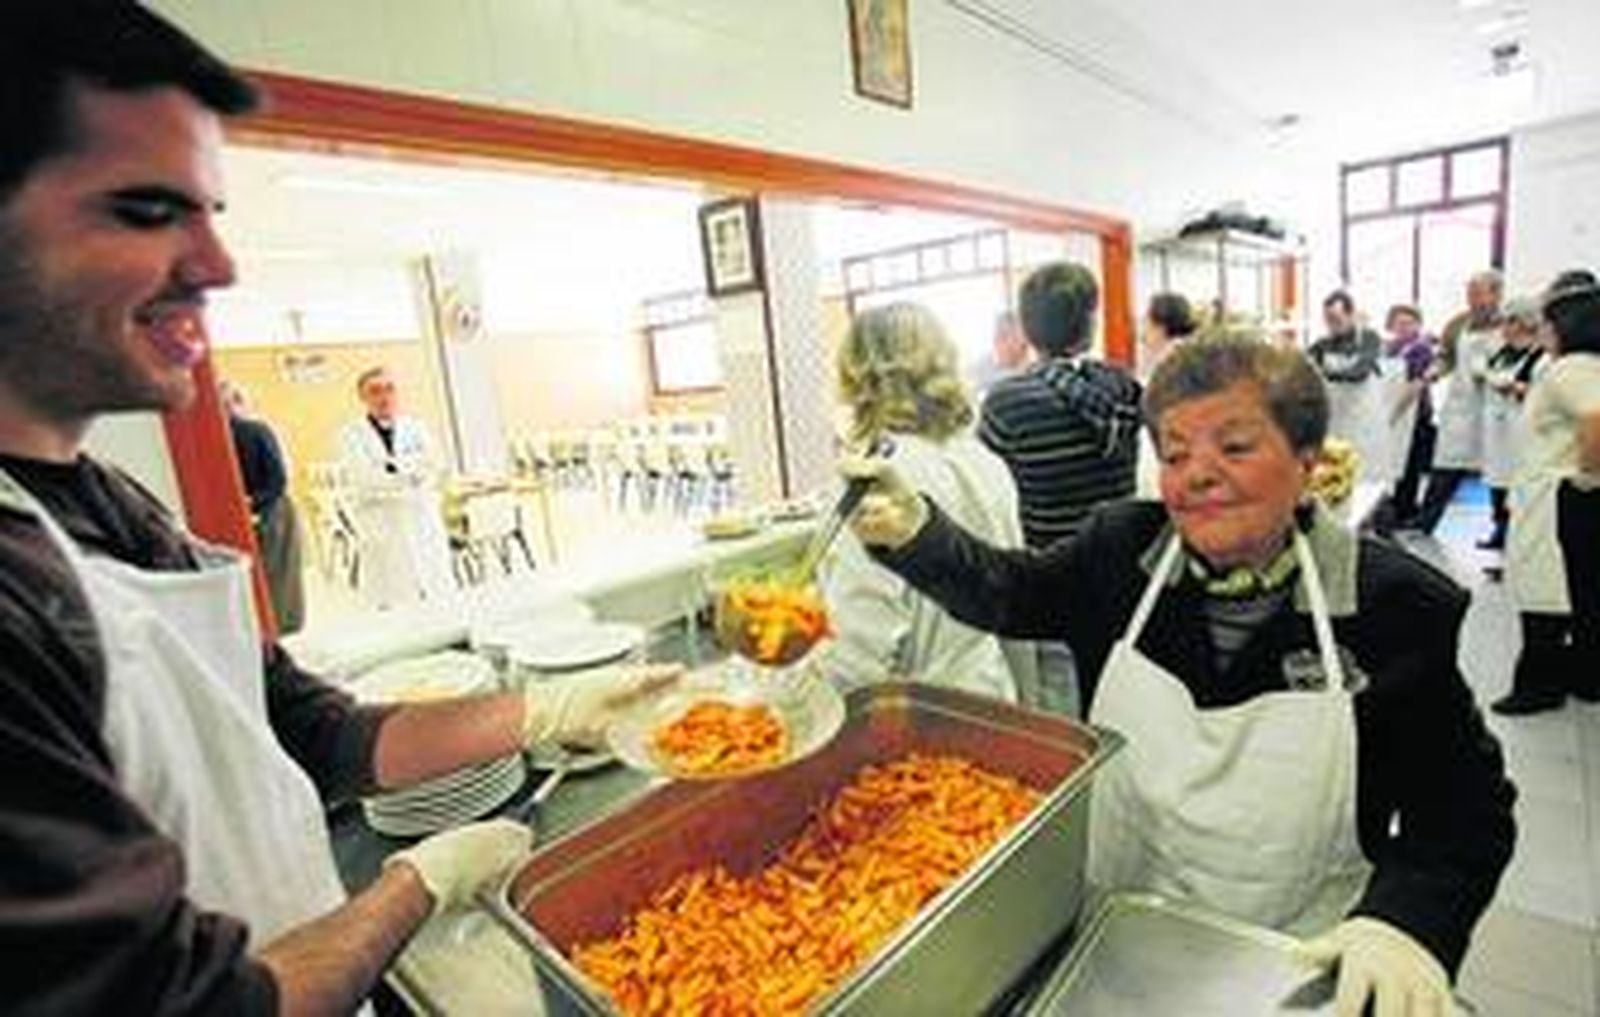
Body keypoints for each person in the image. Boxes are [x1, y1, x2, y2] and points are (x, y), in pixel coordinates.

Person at [0, 4, 679, 1012]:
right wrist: (417, 883)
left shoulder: (106, 503)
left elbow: (310, 728)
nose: (219, 266)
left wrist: (540, 710)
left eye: (210, 213)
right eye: (145, 210)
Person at [844, 333, 1514, 1017]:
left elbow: (1465, 811)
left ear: (1307, 460)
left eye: (1234, 446)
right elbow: (1009, 593)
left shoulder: (1390, 604)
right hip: (1120, 936)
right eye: (1174, 452)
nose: (1196, 472)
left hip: (1295, 961)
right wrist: (916, 535)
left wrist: (1405, 922)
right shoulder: (1119, 550)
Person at [822, 302, 1033, 703]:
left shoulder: (874, 478)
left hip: (917, 721)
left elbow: (857, 650)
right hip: (990, 691)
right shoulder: (986, 462)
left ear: (855, 376)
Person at [979, 262, 1142, 715]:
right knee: (1124, 691)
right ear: (1090, 323)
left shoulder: (1007, 402)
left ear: (1028, 327)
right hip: (1123, 569)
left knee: (1062, 706)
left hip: (1052, 574)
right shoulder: (1124, 387)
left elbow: (990, 488)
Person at [1497, 275, 1600, 714]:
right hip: (1558, 492)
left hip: (1557, 496)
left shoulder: (1570, 368)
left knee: (1545, 593)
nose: (1542, 332)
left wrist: (1587, 476)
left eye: (1547, 324)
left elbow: (1597, 420)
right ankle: (1584, 677)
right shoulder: (1583, 366)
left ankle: (1539, 687)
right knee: (1578, 591)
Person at [339, 366, 457, 609]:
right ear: (362, 397)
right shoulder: (350, 435)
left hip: (421, 518)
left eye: (390, 389)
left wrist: (395, 472)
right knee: (392, 596)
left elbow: (435, 465)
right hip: (382, 524)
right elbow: (365, 479)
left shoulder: (417, 428)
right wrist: (410, 474)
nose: (384, 396)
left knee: (436, 588)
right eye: (375, 391)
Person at [1417, 270, 1504, 533]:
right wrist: (1435, 371)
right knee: (1446, 462)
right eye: (1470, 294)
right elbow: (1446, 357)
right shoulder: (1458, 324)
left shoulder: (1508, 324)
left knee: (1499, 468)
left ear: (1497, 294)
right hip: (1461, 406)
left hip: (1496, 407)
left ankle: (1501, 527)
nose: (1473, 300)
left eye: (1478, 294)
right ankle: (1426, 521)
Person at [220, 379, 308, 634]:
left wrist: (245, 504)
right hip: (264, 511)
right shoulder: (254, 430)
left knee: (264, 576)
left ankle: (266, 629)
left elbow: (273, 480)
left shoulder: (235, 433)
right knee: (276, 575)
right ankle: (278, 628)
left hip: (253, 513)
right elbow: (278, 478)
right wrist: (251, 504)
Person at [1478, 298, 1548, 553]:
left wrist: (1510, 385)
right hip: (1497, 425)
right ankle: (1498, 527)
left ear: (1526, 323)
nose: (1504, 327)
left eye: (1510, 321)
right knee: (1496, 478)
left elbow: (1538, 391)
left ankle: (1512, 531)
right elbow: (1488, 373)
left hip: (1520, 425)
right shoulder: (1503, 352)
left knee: (1514, 480)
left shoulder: (1539, 355)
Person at [1308, 291, 1390, 487]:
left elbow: (1359, 372)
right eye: (1327, 320)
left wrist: (1325, 374)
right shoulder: (1322, 345)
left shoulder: (1369, 339)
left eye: (1336, 319)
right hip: (1337, 421)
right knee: (1336, 475)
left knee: (1368, 479)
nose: (1331, 325)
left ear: (1351, 314)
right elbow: (1302, 368)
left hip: (1365, 422)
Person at [1378, 304, 1438, 529]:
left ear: (1418, 324)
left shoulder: (1420, 349)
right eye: (1398, 323)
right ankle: (1393, 506)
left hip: (1413, 414)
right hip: (1390, 413)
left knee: (1410, 463)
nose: (1403, 328)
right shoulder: (1389, 349)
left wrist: (1394, 412)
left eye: (1408, 323)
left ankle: (1405, 511)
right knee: (1394, 460)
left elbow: (1417, 383)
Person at [967, 308, 1034, 396]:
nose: (997, 343)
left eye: (1004, 336)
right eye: (997, 337)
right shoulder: (982, 369)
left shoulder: (1035, 371)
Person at [1140, 291, 1198, 380]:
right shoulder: (1155, 353)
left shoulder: (1173, 359)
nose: (1144, 326)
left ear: (1161, 327)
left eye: (1147, 320)